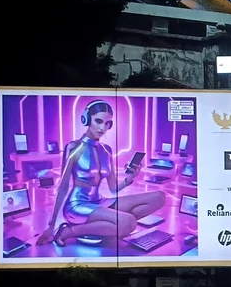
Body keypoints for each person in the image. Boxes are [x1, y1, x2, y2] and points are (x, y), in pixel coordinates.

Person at [37, 99, 165, 247]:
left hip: (99, 201)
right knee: (129, 221)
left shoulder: (107, 150)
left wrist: (129, 179)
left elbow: (113, 189)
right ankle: (69, 231)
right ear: (86, 119)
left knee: (159, 197)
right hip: (78, 205)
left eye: (107, 123)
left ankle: (111, 227)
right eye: (98, 121)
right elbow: (63, 187)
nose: (102, 127)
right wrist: (52, 225)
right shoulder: (74, 147)